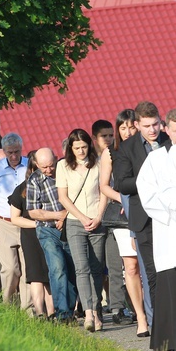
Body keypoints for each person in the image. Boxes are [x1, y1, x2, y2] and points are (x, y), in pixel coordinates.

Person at [136, 107, 176, 351]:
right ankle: (175, 342)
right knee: (172, 286)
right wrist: (174, 212)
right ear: (166, 130)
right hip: (169, 229)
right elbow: (146, 194)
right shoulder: (156, 159)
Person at [113, 101, 169, 325]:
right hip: (143, 218)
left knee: (172, 271)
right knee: (152, 274)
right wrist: (149, 180)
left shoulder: (170, 143)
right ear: (137, 125)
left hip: (169, 216)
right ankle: (159, 325)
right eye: (147, 126)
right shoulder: (127, 148)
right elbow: (122, 184)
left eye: (155, 124)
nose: (153, 130)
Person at [100, 109, 148, 333]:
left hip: (147, 208)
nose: (128, 131)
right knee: (131, 266)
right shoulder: (111, 152)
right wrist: (124, 198)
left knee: (147, 263)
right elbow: (104, 186)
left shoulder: (146, 148)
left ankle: (152, 310)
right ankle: (141, 317)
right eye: (123, 128)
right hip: (122, 211)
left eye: (131, 126)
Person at [57, 128, 108, 332]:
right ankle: (87, 312)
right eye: (77, 147)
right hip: (75, 221)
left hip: (97, 220)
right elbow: (63, 197)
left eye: (84, 147)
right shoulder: (63, 166)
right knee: (81, 267)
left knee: (97, 268)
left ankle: (96, 310)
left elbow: (103, 191)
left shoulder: (98, 165)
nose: (81, 151)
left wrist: (98, 216)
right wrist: (82, 217)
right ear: (71, 148)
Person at [27, 147, 77, 323]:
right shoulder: (34, 180)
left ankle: (71, 309)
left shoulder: (66, 170)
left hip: (70, 227)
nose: (49, 170)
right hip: (47, 230)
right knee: (57, 268)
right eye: (44, 167)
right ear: (36, 164)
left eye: (51, 165)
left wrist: (66, 214)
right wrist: (58, 215)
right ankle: (62, 313)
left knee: (72, 269)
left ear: (56, 159)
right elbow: (33, 212)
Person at [0, 133, 30, 309]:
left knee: (27, 269)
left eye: (17, 151)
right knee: (10, 269)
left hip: (25, 222)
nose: (14, 156)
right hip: (3, 222)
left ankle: (29, 310)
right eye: (10, 152)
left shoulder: (28, 165)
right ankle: (7, 305)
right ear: (4, 151)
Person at [91, 118, 128, 323]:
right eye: (103, 136)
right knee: (98, 266)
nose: (107, 139)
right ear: (95, 139)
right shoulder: (91, 160)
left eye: (110, 135)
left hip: (113, 214)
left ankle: (118, 307)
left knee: (116, 265)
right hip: (95, 216)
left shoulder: (118, 155)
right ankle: (96, 305)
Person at [10, 151, 54, 319]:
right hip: (32, 235)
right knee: (37, 275)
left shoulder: (52, 183)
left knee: (48, 274)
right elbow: (15, 218)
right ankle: (42, 312)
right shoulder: (22, 189)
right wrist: (37, 223)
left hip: (49, 232)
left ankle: (51, 312)